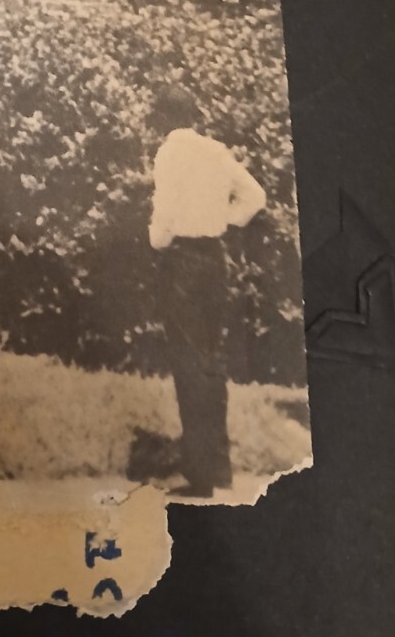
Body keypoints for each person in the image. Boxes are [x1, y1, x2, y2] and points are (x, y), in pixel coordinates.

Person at [147, 81, 267, 497]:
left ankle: (199, 475)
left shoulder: (169, 151)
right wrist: (225, 219)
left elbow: (162, 221)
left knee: (189, 363)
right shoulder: (215, 151)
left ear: (163, 118)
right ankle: (218, 469)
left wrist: (159, 240)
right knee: (212, 362)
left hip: (183, 262)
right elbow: (255, 196)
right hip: (216, 260)